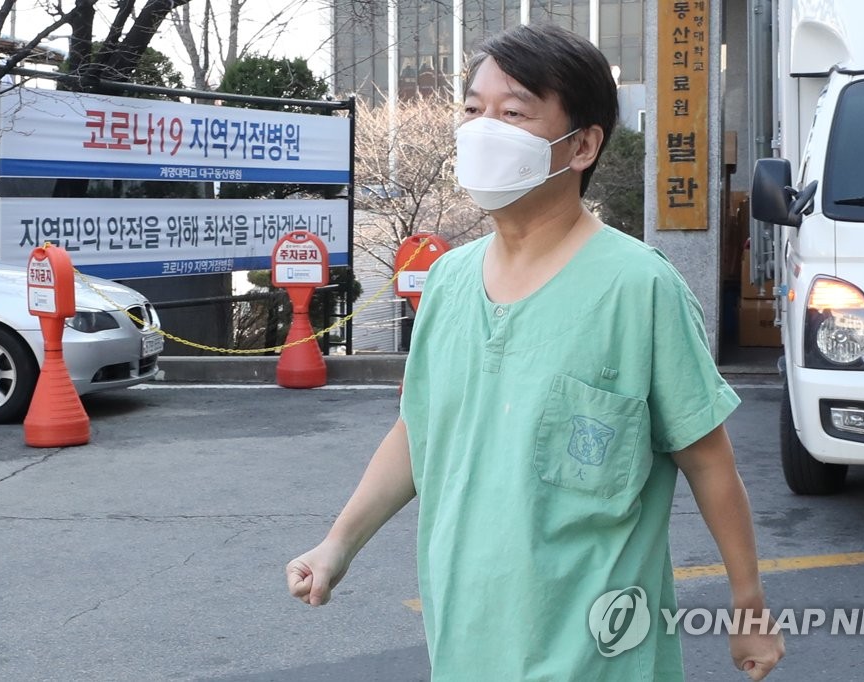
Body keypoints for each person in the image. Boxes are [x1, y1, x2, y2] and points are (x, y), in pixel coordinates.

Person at [287, 23, 785, 681]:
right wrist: (337, 545)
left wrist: (748, 604)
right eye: (473, 110)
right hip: (466, 640)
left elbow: (708, 460)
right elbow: (418, 431)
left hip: (599, 654)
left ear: (582, 145)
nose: (482, 130)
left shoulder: (639, 286)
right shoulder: (449, 280)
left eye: (513, 113)